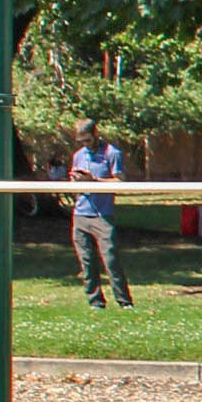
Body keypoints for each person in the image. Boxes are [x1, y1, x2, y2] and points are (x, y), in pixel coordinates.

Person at [66, 117, 131, 309]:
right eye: (81, 141)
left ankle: (124, 301)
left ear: (96, 134)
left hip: (103, 215)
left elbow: (119, 182)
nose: (85, 144)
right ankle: (95, 301)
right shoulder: (79, 155)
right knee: (86, 261)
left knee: (110, 259)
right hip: (80, 213)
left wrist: (94, 181)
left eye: (88, 140)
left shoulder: (112, 153)